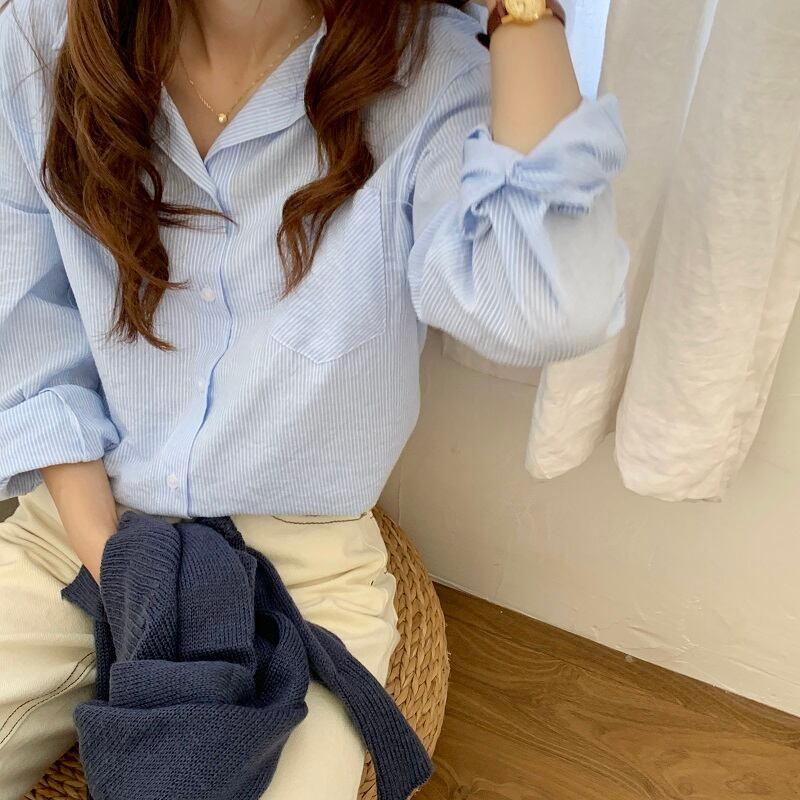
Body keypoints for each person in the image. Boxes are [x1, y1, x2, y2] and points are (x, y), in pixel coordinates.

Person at [0, 0, 629, 796]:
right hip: (72, 528)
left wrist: (526, 12)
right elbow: (30, 337)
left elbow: (542, 306)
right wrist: (126, 568)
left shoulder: (435, 73)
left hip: (304, 572)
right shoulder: (41, 37)